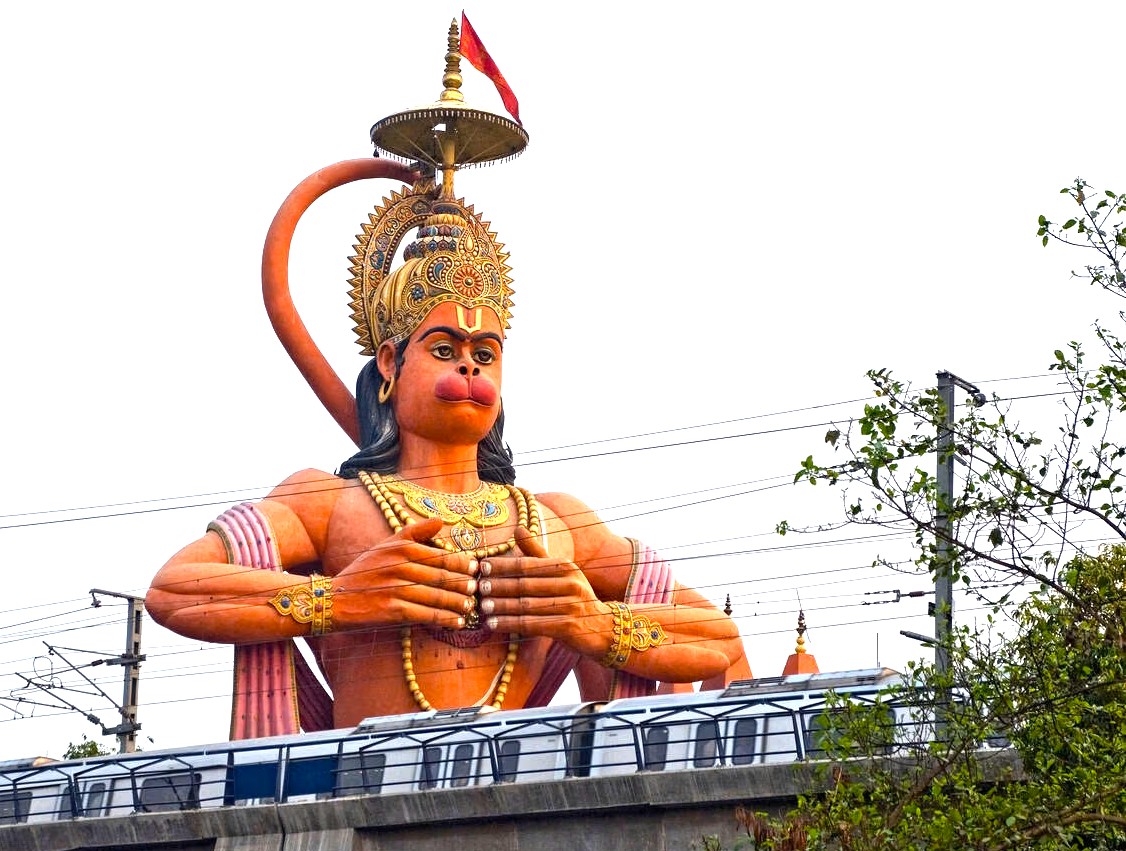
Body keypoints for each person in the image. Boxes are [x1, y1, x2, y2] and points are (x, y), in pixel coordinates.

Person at [146, 29, 748, 736]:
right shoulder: (331, 505)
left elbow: (717, 638)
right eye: (446, 347)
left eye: (485, 353)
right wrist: (338, 599)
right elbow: (174, 587)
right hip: (360, 797)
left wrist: (592, 621)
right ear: (391, 364)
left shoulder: (549, 520)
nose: (469, 365)